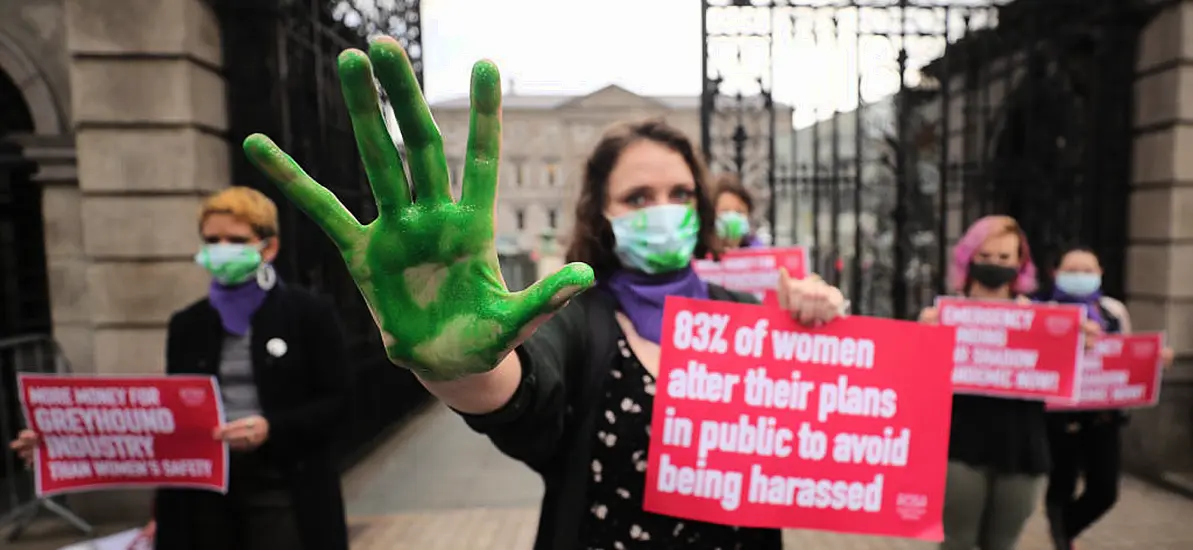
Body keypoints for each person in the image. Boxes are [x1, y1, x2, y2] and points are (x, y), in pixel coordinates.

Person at [238, 37, 847, 550]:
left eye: (680, 194)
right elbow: (522, 390)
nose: (662, 211)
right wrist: (454, 367)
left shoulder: (748, 315)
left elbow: (834, 436)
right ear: (601, 214)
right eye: (637, 198)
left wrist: (819, 326)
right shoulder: (579, 316)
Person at [11, 187, 351, 550]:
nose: (221, 248)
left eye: (236, 239)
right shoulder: (188, 324)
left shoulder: (309, 314)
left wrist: (271, 428)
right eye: (212, 239)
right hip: (205, 493)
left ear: (268, 247)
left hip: (283, 486)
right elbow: (167, 417)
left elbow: (338, 401)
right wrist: (60, 442)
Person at [918, 215, 1058, 550]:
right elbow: (919, 384)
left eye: (1004, 257)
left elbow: (1068, 381)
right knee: (958, 542)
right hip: (961, 445)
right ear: (969, 259)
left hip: (1022, 449)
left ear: (1020, 263)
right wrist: (924, 340)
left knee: (1002, 543)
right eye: (985, 256)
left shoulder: (1044, 320)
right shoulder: (942, 316)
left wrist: (1080, 345)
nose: (995, 264)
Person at [1041, 246, 1173, 550]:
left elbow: (1124, 354)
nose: (1080, 277)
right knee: (1062, 480)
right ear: (1056, 273)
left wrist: (1153, 360)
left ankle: (1064, 525)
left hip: (1102, 414)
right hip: (1058, 413)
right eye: (1072, 270)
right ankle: (1062, 538)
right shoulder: (1042, 308)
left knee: (1104, 491)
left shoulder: (1112, 310)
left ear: (1100, 274)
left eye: (1087, 271)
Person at [711, 173, 763, 249]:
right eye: (725, 211)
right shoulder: (699, 254)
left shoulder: (757, 252)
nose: (733, 216)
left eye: (739, 212)